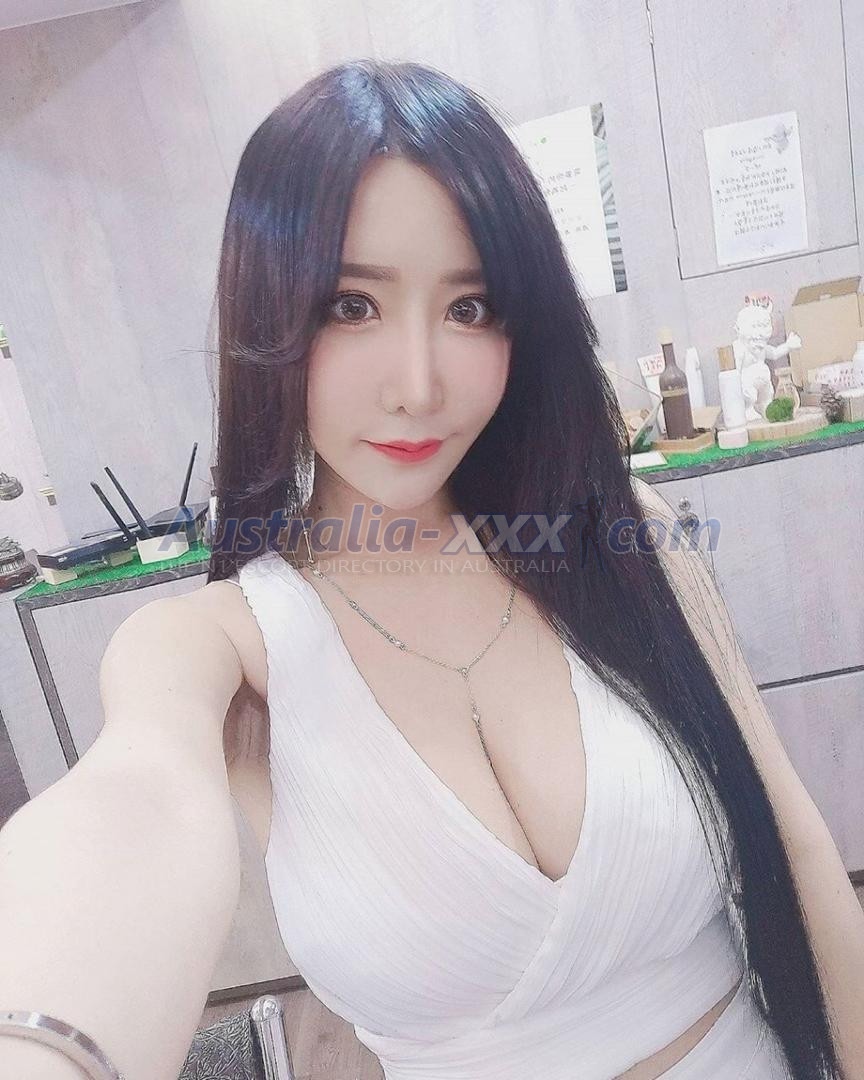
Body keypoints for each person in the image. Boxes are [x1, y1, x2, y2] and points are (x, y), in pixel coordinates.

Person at [0, 59, 862, 1080]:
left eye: (471, 308)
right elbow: (131, 804)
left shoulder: (625, 537)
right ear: (267, 313)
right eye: (351, 305)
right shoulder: (221, 648)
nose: (418, 385)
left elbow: (799, 851)